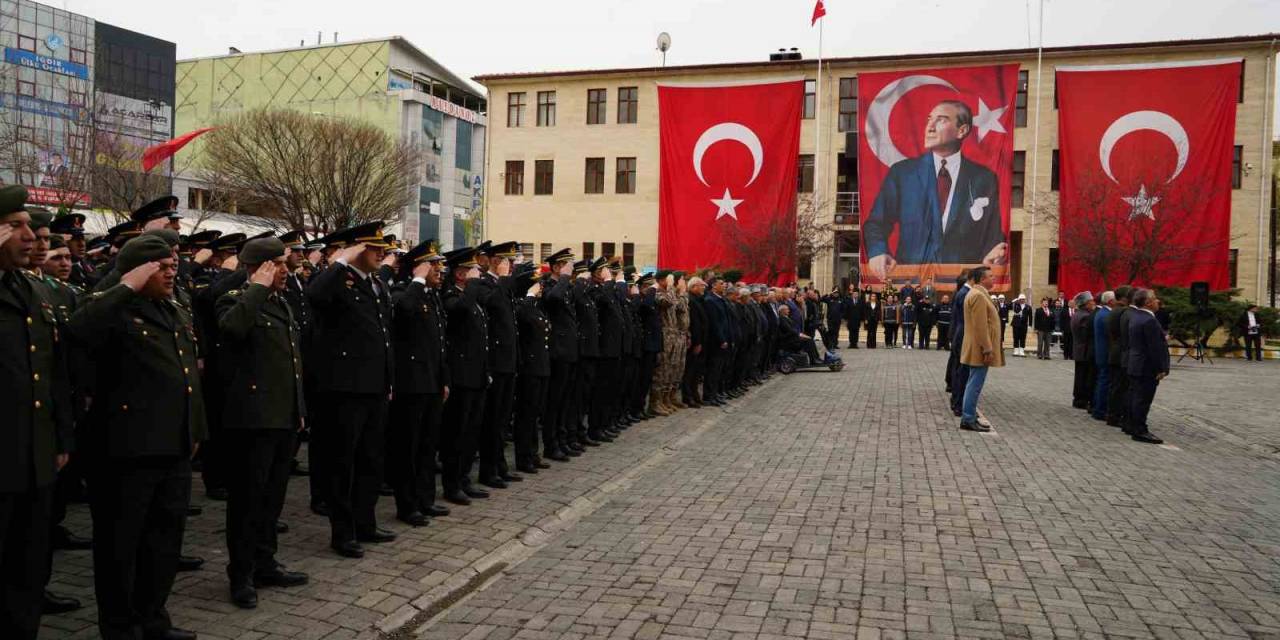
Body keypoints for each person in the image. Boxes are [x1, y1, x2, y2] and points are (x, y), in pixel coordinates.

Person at [68, 234, 205, 640]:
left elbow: (187, 376)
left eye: (173, 265)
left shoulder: (173, 306)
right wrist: (124, 285)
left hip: (173, 445)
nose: (171, 272)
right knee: (119, 546)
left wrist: (195, 430)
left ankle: (152, 618)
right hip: (126, 449)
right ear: (137, 271)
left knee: (163, 542)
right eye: (161, 267)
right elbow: (79, 329)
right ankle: (119, 626)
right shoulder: (113, 306)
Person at [214, 238, 310, 609]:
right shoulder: (236, 299)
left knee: (272, 500)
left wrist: (298, 408)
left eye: (286, 265)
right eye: (279, 265)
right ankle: (240, 574)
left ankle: (265, 562)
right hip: (252, 420)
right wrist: (255, 287)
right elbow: (233, 329)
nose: (288, 271)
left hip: (283, 418)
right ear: (259, 267)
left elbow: (292, 363)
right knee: (247, 501)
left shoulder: (280, 303)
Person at [0, 187, 74, 640]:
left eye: (29, 225)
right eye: (16, 225)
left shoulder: (29, 288)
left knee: (25, 569)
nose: (31, 236)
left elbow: (53, 372)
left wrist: (62, 437)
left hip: (33, 454)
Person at [305, 223, 396, 558]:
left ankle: (365, 522)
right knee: (344, 462)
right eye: (374, 249)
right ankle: (343, 533)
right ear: (358, 250)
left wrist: (388, 381)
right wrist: (342, 260)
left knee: (372, 459)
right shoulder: (339, 281)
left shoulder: (373, 284)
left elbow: (384, 339)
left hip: (373, 386)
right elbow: (314, 295)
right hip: (345, 388)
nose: (382, 254)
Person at [863, 100, 1008, 279]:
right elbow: (876, 223)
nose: (929, 127)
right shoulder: (902, 173)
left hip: (961, 284)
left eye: (941, 120)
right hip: (911, 282)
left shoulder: (984, 178)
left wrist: (994, 252)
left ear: (961, 130)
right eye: (929, 119)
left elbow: (992, 233)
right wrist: (878, 252)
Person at [386, 240, 451, 526]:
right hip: (410, 385)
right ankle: (407, 504)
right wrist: (417, 279)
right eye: (432, 264)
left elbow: (439, 344)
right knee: (407, 448)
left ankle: (425, 499)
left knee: (428, 446)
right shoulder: (403, 292)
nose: (439, 269)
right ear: (417, 267)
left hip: (432, 383)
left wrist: (444, 379)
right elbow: (403, 312)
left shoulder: (431, 296)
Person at [440, 247, 491, 504]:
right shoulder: (451, 297)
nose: (477, 274)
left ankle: (464, 479)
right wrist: (471, 285)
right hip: (461, 377)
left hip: (477, 375)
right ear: (460, 274)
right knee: (456, 434)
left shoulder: (471, 299)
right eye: (471, 270)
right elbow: (459, 312)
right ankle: (452, 484)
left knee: (471, 432)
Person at [512, 262, 551, 473]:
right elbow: (522, 318)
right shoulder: (521, 305)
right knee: (525, 415)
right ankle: (523, 457)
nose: (540, 288)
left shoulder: (535, 307)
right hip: (528, 368)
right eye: (535, 285)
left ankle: (532, 453)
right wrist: (528, 296)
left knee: (535, 414)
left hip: (541, 366)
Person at [541, 249, 577, 461]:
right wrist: (563, 277)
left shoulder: (565, 286)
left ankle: (562, 440)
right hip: (558, 351)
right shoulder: (549, 285)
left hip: (569, 350)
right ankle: (550, 443)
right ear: (556, 267)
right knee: (554, 401)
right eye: (564, 266)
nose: (569, 271)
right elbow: (553, 299)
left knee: (565, 399)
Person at [959, 266, 1003, 432]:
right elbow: (980, 326)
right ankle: (968, 418)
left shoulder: (979, 294)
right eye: (990, 276)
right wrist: (987, 349)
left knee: (974, 381)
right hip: (979, 347)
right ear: (982, 279)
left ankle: (969, 415)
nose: (993, 279)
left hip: (978, 345)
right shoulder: (977, 295)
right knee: (975, 384)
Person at [1126, 289, 1168, 444]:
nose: (1158, 301)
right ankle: (1140, 430)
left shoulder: (1137, 316)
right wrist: (1160, 368)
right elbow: (1154, 348)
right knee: (1142, 399)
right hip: (1146, 366)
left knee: (1135, 397)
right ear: (1147, 302)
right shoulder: (1149, 320)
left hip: (1136, 362)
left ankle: (1131, 425)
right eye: (1155, 299)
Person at [1105, 286, 1134, 430]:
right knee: (1120, 387)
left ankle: (1113, 414)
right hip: (1121, 352)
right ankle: (1116, 415)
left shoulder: (1115, 310)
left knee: (1116, 386)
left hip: (1115, 351)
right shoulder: (1124, 312)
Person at [683, 277, 709, 407]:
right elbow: (694, 324)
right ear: (694, 287)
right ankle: (688, 396)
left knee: (697, 371)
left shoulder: (699, 300)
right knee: (690, 371)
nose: (704, 288)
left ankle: (695, 394)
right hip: (695, 342)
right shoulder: (691, 300)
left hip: (701, 341)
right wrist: (697, 342)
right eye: (701, 286)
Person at [1091, 291, 1116, 422]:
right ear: (1111, 301)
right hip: (1105, 352)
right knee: (1104, 381)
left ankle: (1097, 407)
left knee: (1102, 380)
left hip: (1101, 351)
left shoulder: (1103, 313)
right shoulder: (1106, 315)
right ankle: (1100, 409)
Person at [1069, 292, 1096, 410]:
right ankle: (1081, 400)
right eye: (1091, 302)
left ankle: (1078, 398)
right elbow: (1087, 335)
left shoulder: (1077, 314)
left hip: (1079, 349)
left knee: (1080, 376)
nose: (1093, 304)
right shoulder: (1085, 316)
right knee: (1083, 377)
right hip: (1084, 350)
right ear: (1086, 304)